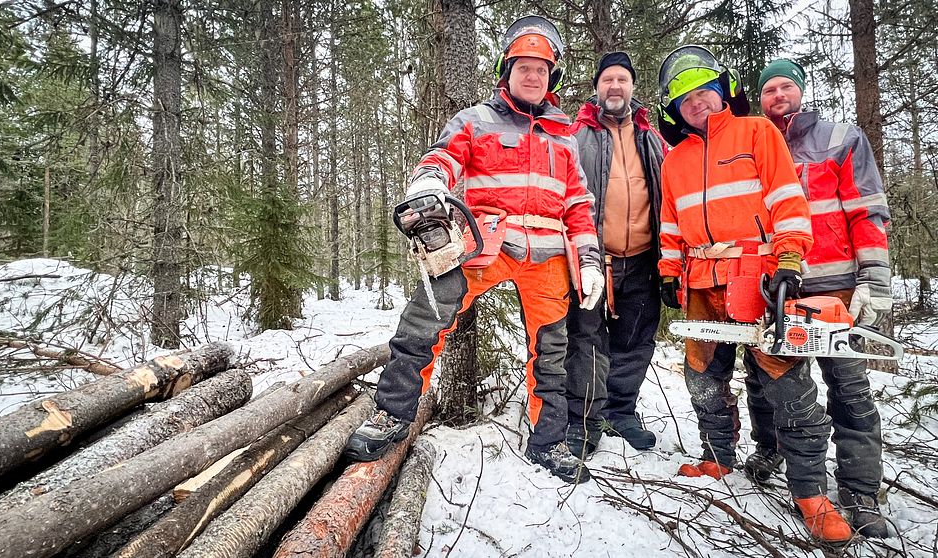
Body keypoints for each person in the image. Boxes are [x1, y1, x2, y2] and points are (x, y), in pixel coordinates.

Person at [344, 15, 605, 485]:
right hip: (485, 242)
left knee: (551, 350)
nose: (532, 75)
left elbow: (579, 205)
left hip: (547, 254)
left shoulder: (564, 137)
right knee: (424, 319)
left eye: (542, 69)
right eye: (524, 66)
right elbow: (443, 157)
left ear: (553, 78)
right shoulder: (475, 119)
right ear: (506, 70)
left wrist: (588, 258)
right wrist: (428, 182)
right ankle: (392, 414)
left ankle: (549, 440)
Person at [655, 45, 851, 543]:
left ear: (723, 93)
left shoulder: (757, 132)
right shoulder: (674, 159)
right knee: (702, 374)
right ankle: (717, 457)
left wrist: (788, 260)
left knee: (786, 379)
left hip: (757, 276)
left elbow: (788, 199)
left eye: (704, 93)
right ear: (674, 110)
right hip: (701, 279)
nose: (696, 104)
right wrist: (668, 268)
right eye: (686, 100)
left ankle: (811, 491)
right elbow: (671, 223)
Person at [749, 59, 892, 538]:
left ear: (801, 91)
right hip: (778, 284)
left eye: (786, 85)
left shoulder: (840, 139)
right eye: (768, 89)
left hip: (836, 283)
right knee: (770, 378)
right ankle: (770, 449)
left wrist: (873, 277)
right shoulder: (753, 144)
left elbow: (868, 210)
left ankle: (861, 489)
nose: (777, 96)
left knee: (848, 386)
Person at [564, 51, 666, 457]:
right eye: (608, 80)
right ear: (597, 88)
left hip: (643, 258)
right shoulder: (575, 136)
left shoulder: (651, 138)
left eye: (622, 79)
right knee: (586, 339)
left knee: (635, 340)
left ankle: (621, 411)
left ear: (632, 87)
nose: (615, 86)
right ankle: (585, 418)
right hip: (591, 258)